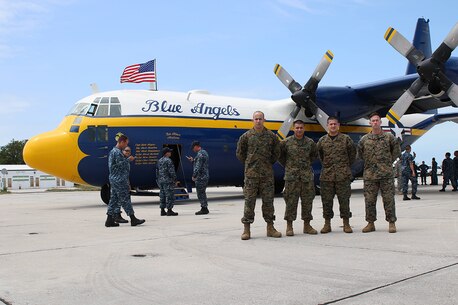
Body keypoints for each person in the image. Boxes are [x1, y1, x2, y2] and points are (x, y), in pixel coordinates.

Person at [236, 111, 281, 240]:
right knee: (249, 202)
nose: (258, 121)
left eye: (260, 119)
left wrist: (266, 164)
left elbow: (276, 153)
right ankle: (246, 229)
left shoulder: (271, 136)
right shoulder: (246, 136)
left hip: (267, 175)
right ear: (252, 120)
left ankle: (270, 228)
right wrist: (250, 163)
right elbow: (240, 154)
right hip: (251, 175)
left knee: (268, 202)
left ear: (264, 120)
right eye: (256, 119)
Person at [357, 112, 401, 233]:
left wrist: (386, 163)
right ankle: (370, 223)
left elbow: (396, 151)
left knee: (388, 199)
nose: (375, 122)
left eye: (377, 120)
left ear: (380, 122)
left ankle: (391, 223)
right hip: (370, 175)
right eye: (373, 121)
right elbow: (360, 154)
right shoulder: (364, 139)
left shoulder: (389, 137)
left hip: (386, 174)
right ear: (370, 123)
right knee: (369, 200)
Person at [316, 116, 356, 234]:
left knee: (344, 200)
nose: (333, 126)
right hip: (327, 176)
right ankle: (327, 224)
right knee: (326, 201)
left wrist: (343, 167)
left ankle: (346, 223)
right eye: (330, 124)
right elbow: (320, 156)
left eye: (335, 124)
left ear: (338, 125)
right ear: (327, 125)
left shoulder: (346, 139)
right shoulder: (322, 141)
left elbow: (352, 155)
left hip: (343, 176)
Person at [279, 119, 318, 236]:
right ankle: (289, 226)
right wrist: (289, 166)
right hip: (292, 177)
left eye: (301, 128)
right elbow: (280, 156)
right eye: (297, 128)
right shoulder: (286, 142)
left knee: (307, 201)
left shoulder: (310, 143)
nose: (299, 130)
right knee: (290, 202)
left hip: (306, 177)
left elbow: (314, 156)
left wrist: (305, 166)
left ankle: (307, 225)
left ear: (304, 128)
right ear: (293, 129)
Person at [105, 135, 145, 227]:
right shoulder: (117, 153)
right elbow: (118, 165)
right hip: (119, 179)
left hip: (115, 179)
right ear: (122, 142)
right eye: (126, 143)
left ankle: (109, 220)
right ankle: (133, 219)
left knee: (113, 200)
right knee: (125, 199)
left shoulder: (113, 151)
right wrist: (128, 160)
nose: (126, 145)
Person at [187, 141, 210, 215]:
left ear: (196, 146)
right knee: (202, 192)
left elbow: (198, 167)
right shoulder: (204, 152)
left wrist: (194, 175)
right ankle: (204, 207)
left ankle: (204, 208)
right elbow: (201, 164)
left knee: (200, 193)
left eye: (193, 148)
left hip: (201, 177)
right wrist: (193, 161)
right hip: (205, 176)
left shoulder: (200, 154)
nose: (193, 150)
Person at [156, 147, 179, 216]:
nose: (170, 153)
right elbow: (171, 172)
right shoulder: (168, 161)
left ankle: (162, 210)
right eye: (169, 152)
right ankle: (169, 210)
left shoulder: (159, 160)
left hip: (161, 180)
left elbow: (157, 171)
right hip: (168, 181)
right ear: (166, 153)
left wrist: (158, 179)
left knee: (162, 195)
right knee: (170, 195)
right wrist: (175, 180)